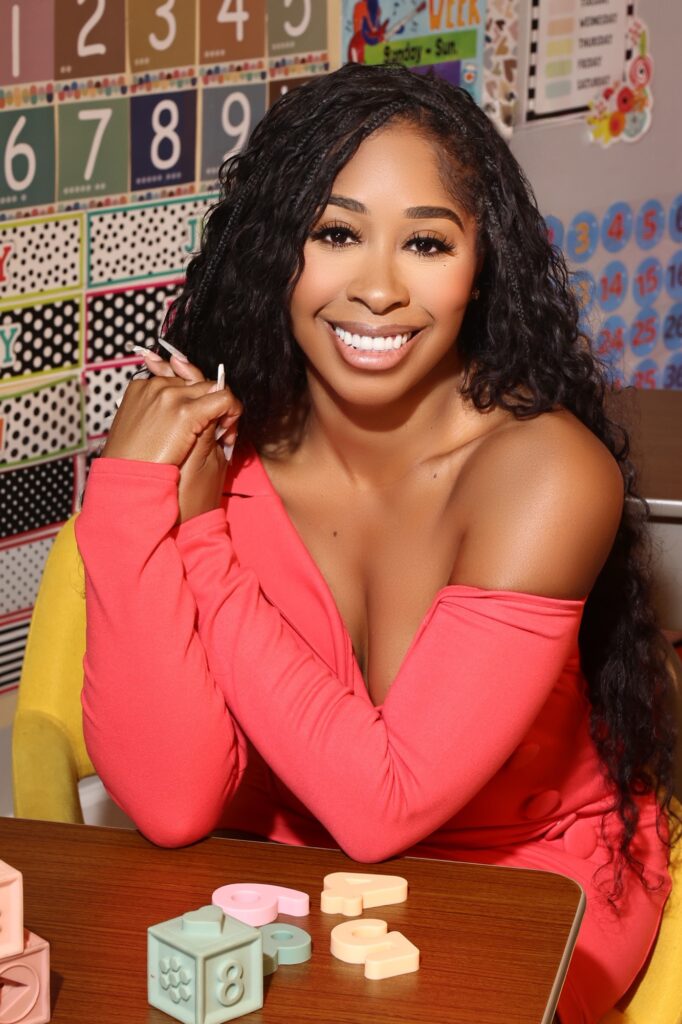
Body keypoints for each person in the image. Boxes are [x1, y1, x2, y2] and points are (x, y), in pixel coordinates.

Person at [75, 63, 677, 1022]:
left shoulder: (544, 474)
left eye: (427, 242)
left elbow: (381, 804)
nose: (380, 289)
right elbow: (175, 803)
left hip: (522, 884)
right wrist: (128, 497)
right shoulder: (229, 457)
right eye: (337, 234)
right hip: (288, 879)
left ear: (481, 266)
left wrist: (201, 542)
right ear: (277, 249)